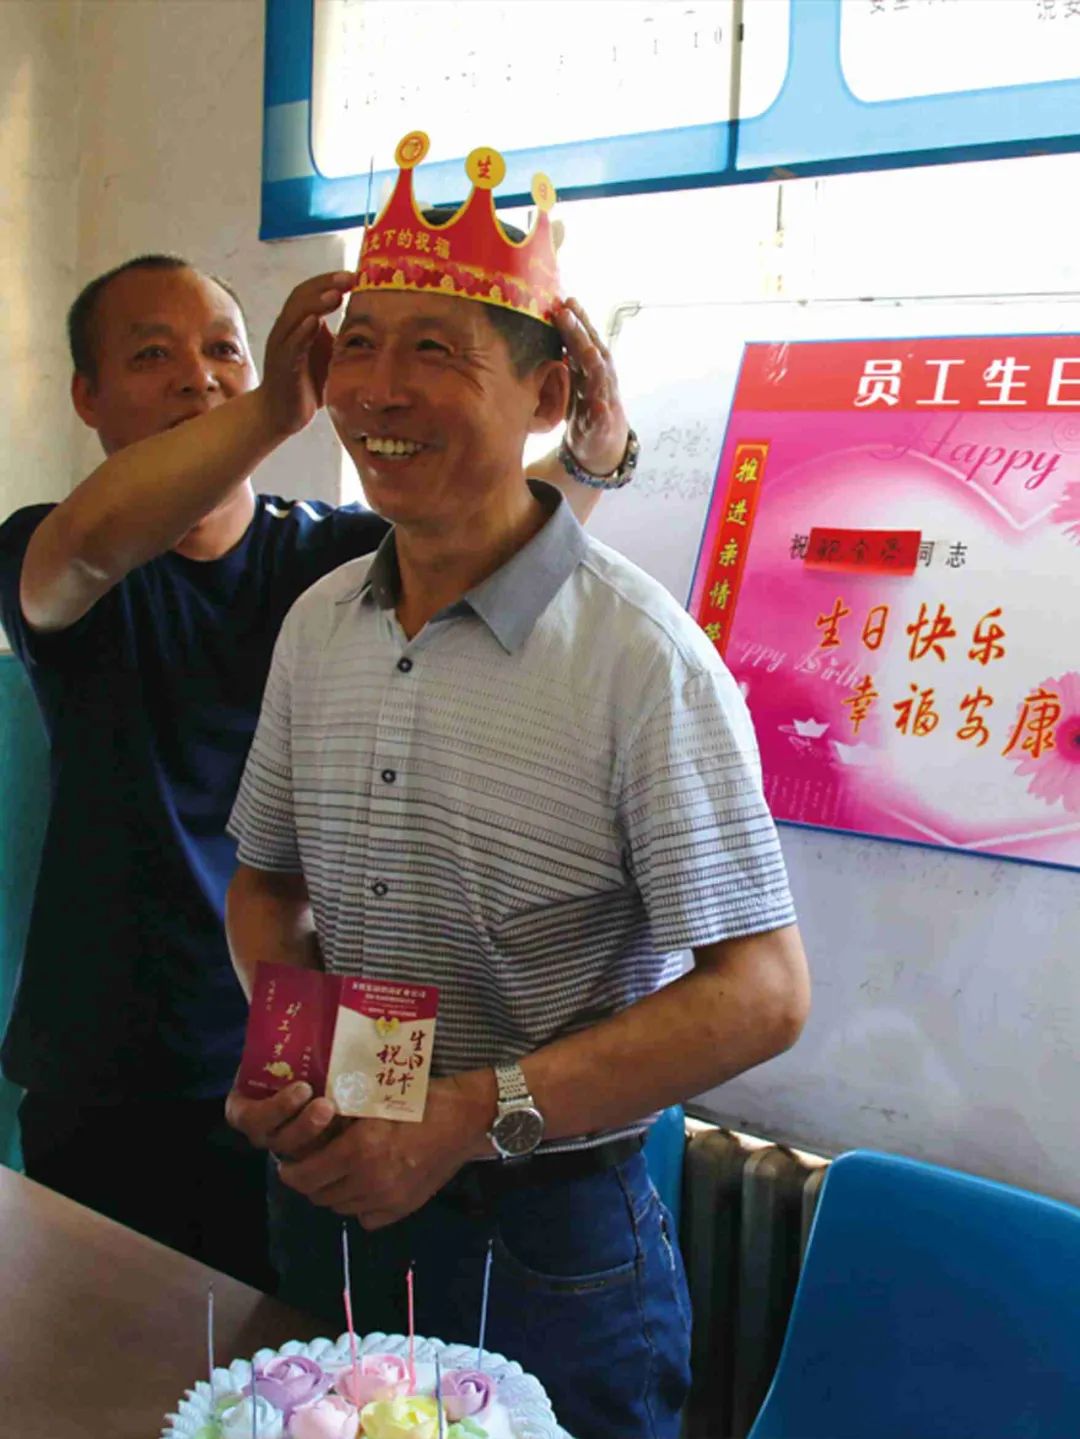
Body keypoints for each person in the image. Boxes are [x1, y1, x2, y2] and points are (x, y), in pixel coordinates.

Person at [224, 138, 810, 1437]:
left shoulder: (640, 659)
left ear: (548, 392)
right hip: (335, 1193)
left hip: (548, 1242)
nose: (381, 388)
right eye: (360, 344)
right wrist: (305, 1059)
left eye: (436, 350)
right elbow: (267, 883)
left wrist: (463, 1115)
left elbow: (764, 991)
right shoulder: (320, 622)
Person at [0, 250, 629, 1289]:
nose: (198, 377)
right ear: (87, 396)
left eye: (224, 351)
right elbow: (88, 547)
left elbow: (499, 531)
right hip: (117, 1067)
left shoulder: (335, 560)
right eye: (152, 356)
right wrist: (272, 411)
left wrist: (593, 458)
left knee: (319, 1347)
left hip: (326, 1054)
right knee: (115, 1353)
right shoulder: (51, 549)